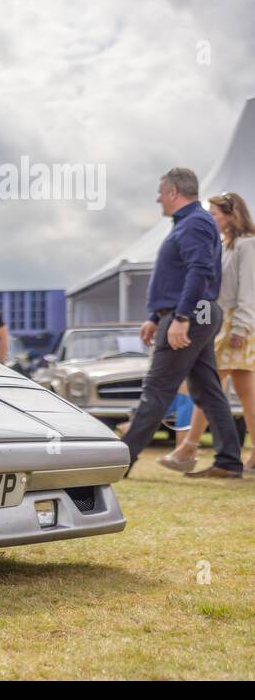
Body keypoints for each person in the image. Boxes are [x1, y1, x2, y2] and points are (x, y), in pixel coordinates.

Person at [119, 168, 242, 478]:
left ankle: (123, 460)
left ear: (173, 192)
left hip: (190, 314)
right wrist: (154, 317)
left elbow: (199, 271)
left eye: (161, 192)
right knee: (208, 392)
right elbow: (177, 276)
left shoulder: (195, 223)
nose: (158, 198)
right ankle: (229, 461)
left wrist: (181, 317)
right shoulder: (190, 223)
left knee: (157, 387)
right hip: (190, 313)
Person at [160, 191, 255, 473]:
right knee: (245, 393)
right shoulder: (225, 245)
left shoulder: (247, 246)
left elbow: (249, 290)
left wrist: (241, 327)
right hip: (225, 322)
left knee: (209, 385)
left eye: (214, 214)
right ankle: (191, 449)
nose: (210, 219)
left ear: (231, 214)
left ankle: (188, 448)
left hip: (236, 324)